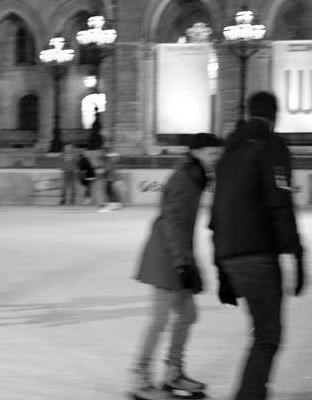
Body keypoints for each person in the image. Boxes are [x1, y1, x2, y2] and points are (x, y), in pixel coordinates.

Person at [211, 91, 304, 400]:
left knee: (261, 330)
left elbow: (216, 213)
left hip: (231, 254)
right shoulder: (272, 145)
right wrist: (297, 253)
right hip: (259, 253)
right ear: (275, 115)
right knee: (268, 335)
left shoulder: (228, 152)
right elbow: (280, 202)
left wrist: (221, 267)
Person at [131, 133, 223, 400]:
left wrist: (190, 263)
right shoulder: (184, 178)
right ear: (194, 152)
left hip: (178, 254)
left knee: (188, 315)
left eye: (217, 155)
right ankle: (140, 376)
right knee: (161, 319)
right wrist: (183, 264)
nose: (214, 160)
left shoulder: (195, 177)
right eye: (209, 154)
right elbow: (172, 222)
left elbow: (183, 227)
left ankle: (173, 372)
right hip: (166, 257)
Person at [98, 148, 122, 212]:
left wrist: (101, 171)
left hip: (110, 177)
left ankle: (112, 205)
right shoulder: (108, 159)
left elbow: (107, 169)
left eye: (101, 152)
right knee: (110, 191)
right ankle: (116, 204)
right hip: (110, 177)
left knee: (109, 191)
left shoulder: (107, 159)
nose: (100, 153)